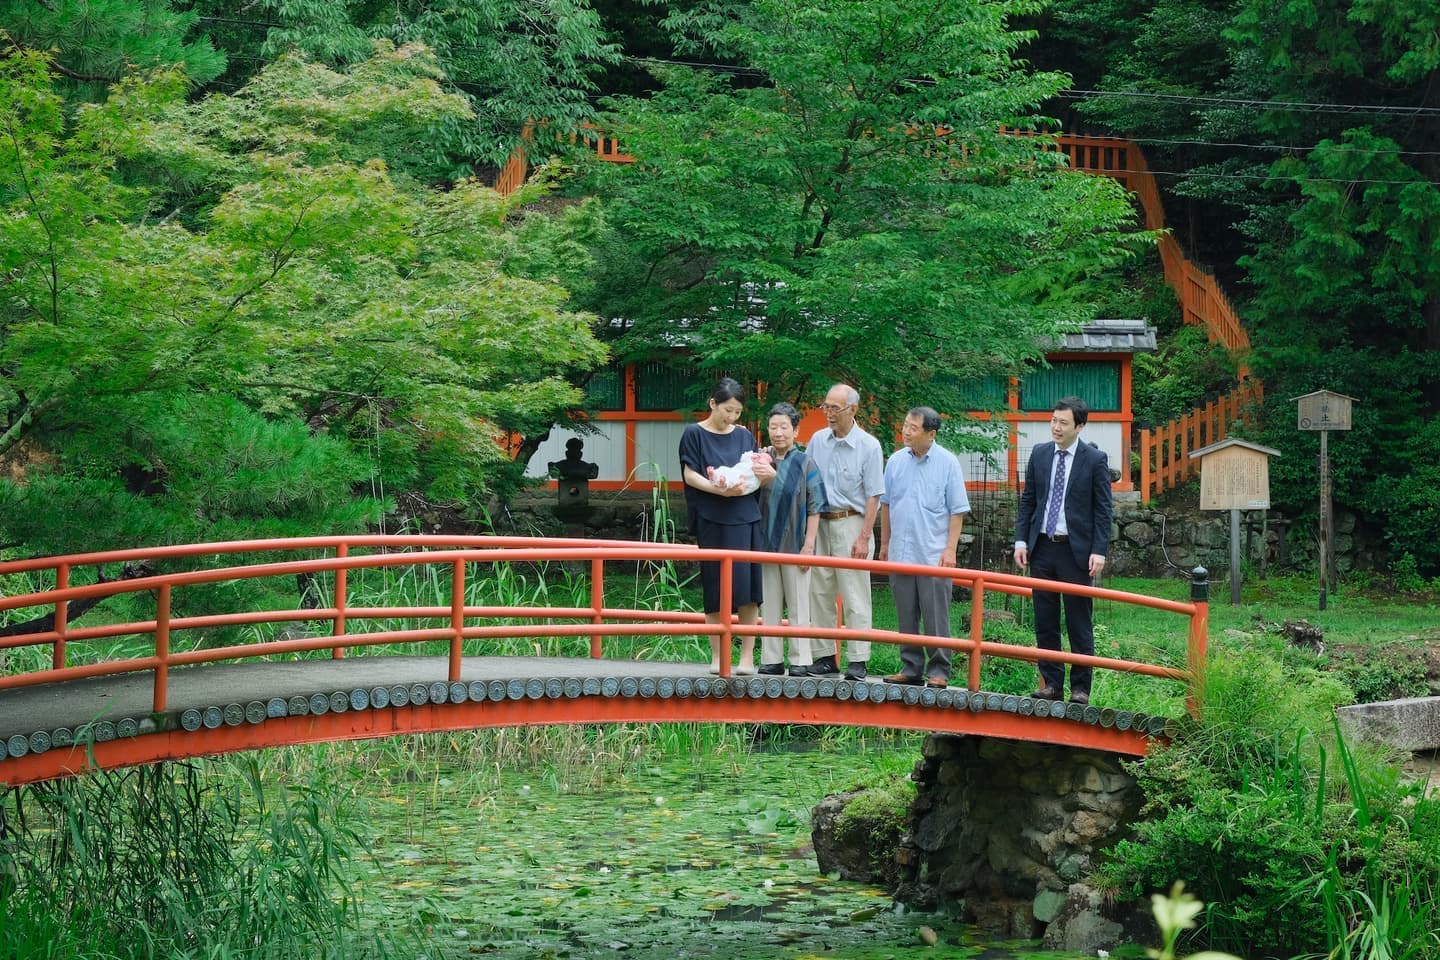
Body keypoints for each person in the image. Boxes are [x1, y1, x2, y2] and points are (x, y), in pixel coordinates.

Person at [1014, 396, 1113, 705]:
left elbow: (1103, 510)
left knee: (1078, 621)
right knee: (1044, 618)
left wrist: (1099, 549)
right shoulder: (1040, 454)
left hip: (1076, 550)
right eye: (1053, 420)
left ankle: (1080, 688)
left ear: (1079, 426)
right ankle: (1052, 683)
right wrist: (1021, 540)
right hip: (1042, 546)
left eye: (1063, 422)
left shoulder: (1094, 460)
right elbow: (1029, 500)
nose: (1055, 427)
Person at [679, 377, 776, 675]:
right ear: (713, 404)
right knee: (715, 587)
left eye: (736, 412)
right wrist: (717, 488)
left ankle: (746, 657)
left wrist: (767, 473)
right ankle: (718, 655)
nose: (731, 417)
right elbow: (689, 473)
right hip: (712, 515)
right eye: (727, 410)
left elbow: (761, 469)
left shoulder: (745, 436)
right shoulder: (694, 433)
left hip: (745, 515)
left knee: (748, 589)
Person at [878, 407, 970, 688]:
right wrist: (884, 544)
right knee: (905, 613)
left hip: (932, 553)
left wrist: (950, 549)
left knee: (935, 615)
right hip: (901, 552)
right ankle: (910, 666)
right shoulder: (895, 461)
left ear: (931, 434)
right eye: (905, 425)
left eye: (913, 428)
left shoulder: (947, 463)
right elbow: (887, 504)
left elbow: (957, 511)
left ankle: (939, 670)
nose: (906, 431)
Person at [806, 384, 885, 680]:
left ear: (852, 409)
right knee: (819, 590)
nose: (828, 414)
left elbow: (874, 495)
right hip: (820, 521)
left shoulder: (869, 445)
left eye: (834, 408)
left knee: (855, 593)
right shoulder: (817, 440)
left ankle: (858, 660)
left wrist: (864, 537)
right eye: (825, 407)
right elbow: (808, 481)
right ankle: (825, 657)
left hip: (852, 522)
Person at [755, 402, 827, 677]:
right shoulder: (760, 459)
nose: (778, 432)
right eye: (773, 427)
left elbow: (815, 505)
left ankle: (800, 659)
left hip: (796, 543)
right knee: (769, 603)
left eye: (784, 427)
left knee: (799, 603)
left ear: (795, 430)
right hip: (766, 541)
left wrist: (809, 545)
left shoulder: (805, 462)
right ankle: (771, 659)